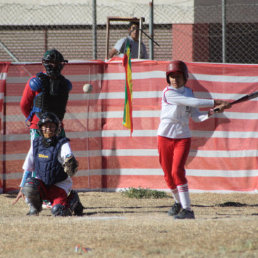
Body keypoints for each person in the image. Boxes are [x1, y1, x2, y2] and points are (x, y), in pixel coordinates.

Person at [157, 60, 231, 219]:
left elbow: (196, 117)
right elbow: (193, 103)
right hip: (164, 136)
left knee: (177, 171)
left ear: (185, 77)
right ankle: (177, 202)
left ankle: (188, 209)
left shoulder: (189, 92)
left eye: (178, 76)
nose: (174, 80)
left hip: (182, 137)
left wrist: (213, 111)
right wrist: (217, 102)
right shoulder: (167, 92)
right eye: (171, 76)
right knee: (168, 175)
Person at [13, 49, 72, 205]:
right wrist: (33, 120)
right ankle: (30, 192)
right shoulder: (36, 81)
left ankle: (54, 194)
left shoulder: (64, 84)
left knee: (57, 161)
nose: (54, 65)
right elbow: (24, 104)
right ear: (45, 64)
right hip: (39, 127)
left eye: (57, 62)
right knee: (37, 159)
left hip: (58, 127)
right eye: (51, 62)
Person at [21, 112, 82, 216]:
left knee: (58, 212)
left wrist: (69, 160)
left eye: (51, 126)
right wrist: (22, 186)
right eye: (45, 126)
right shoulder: (36, 143)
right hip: (43, 184)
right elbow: (28, 167)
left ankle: (72, 199)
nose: (48, 129)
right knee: (29, 185)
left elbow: (68, 156)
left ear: (57, 128)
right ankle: (35, 207)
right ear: (40, 128)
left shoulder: (62, 143)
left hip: (59, 184)